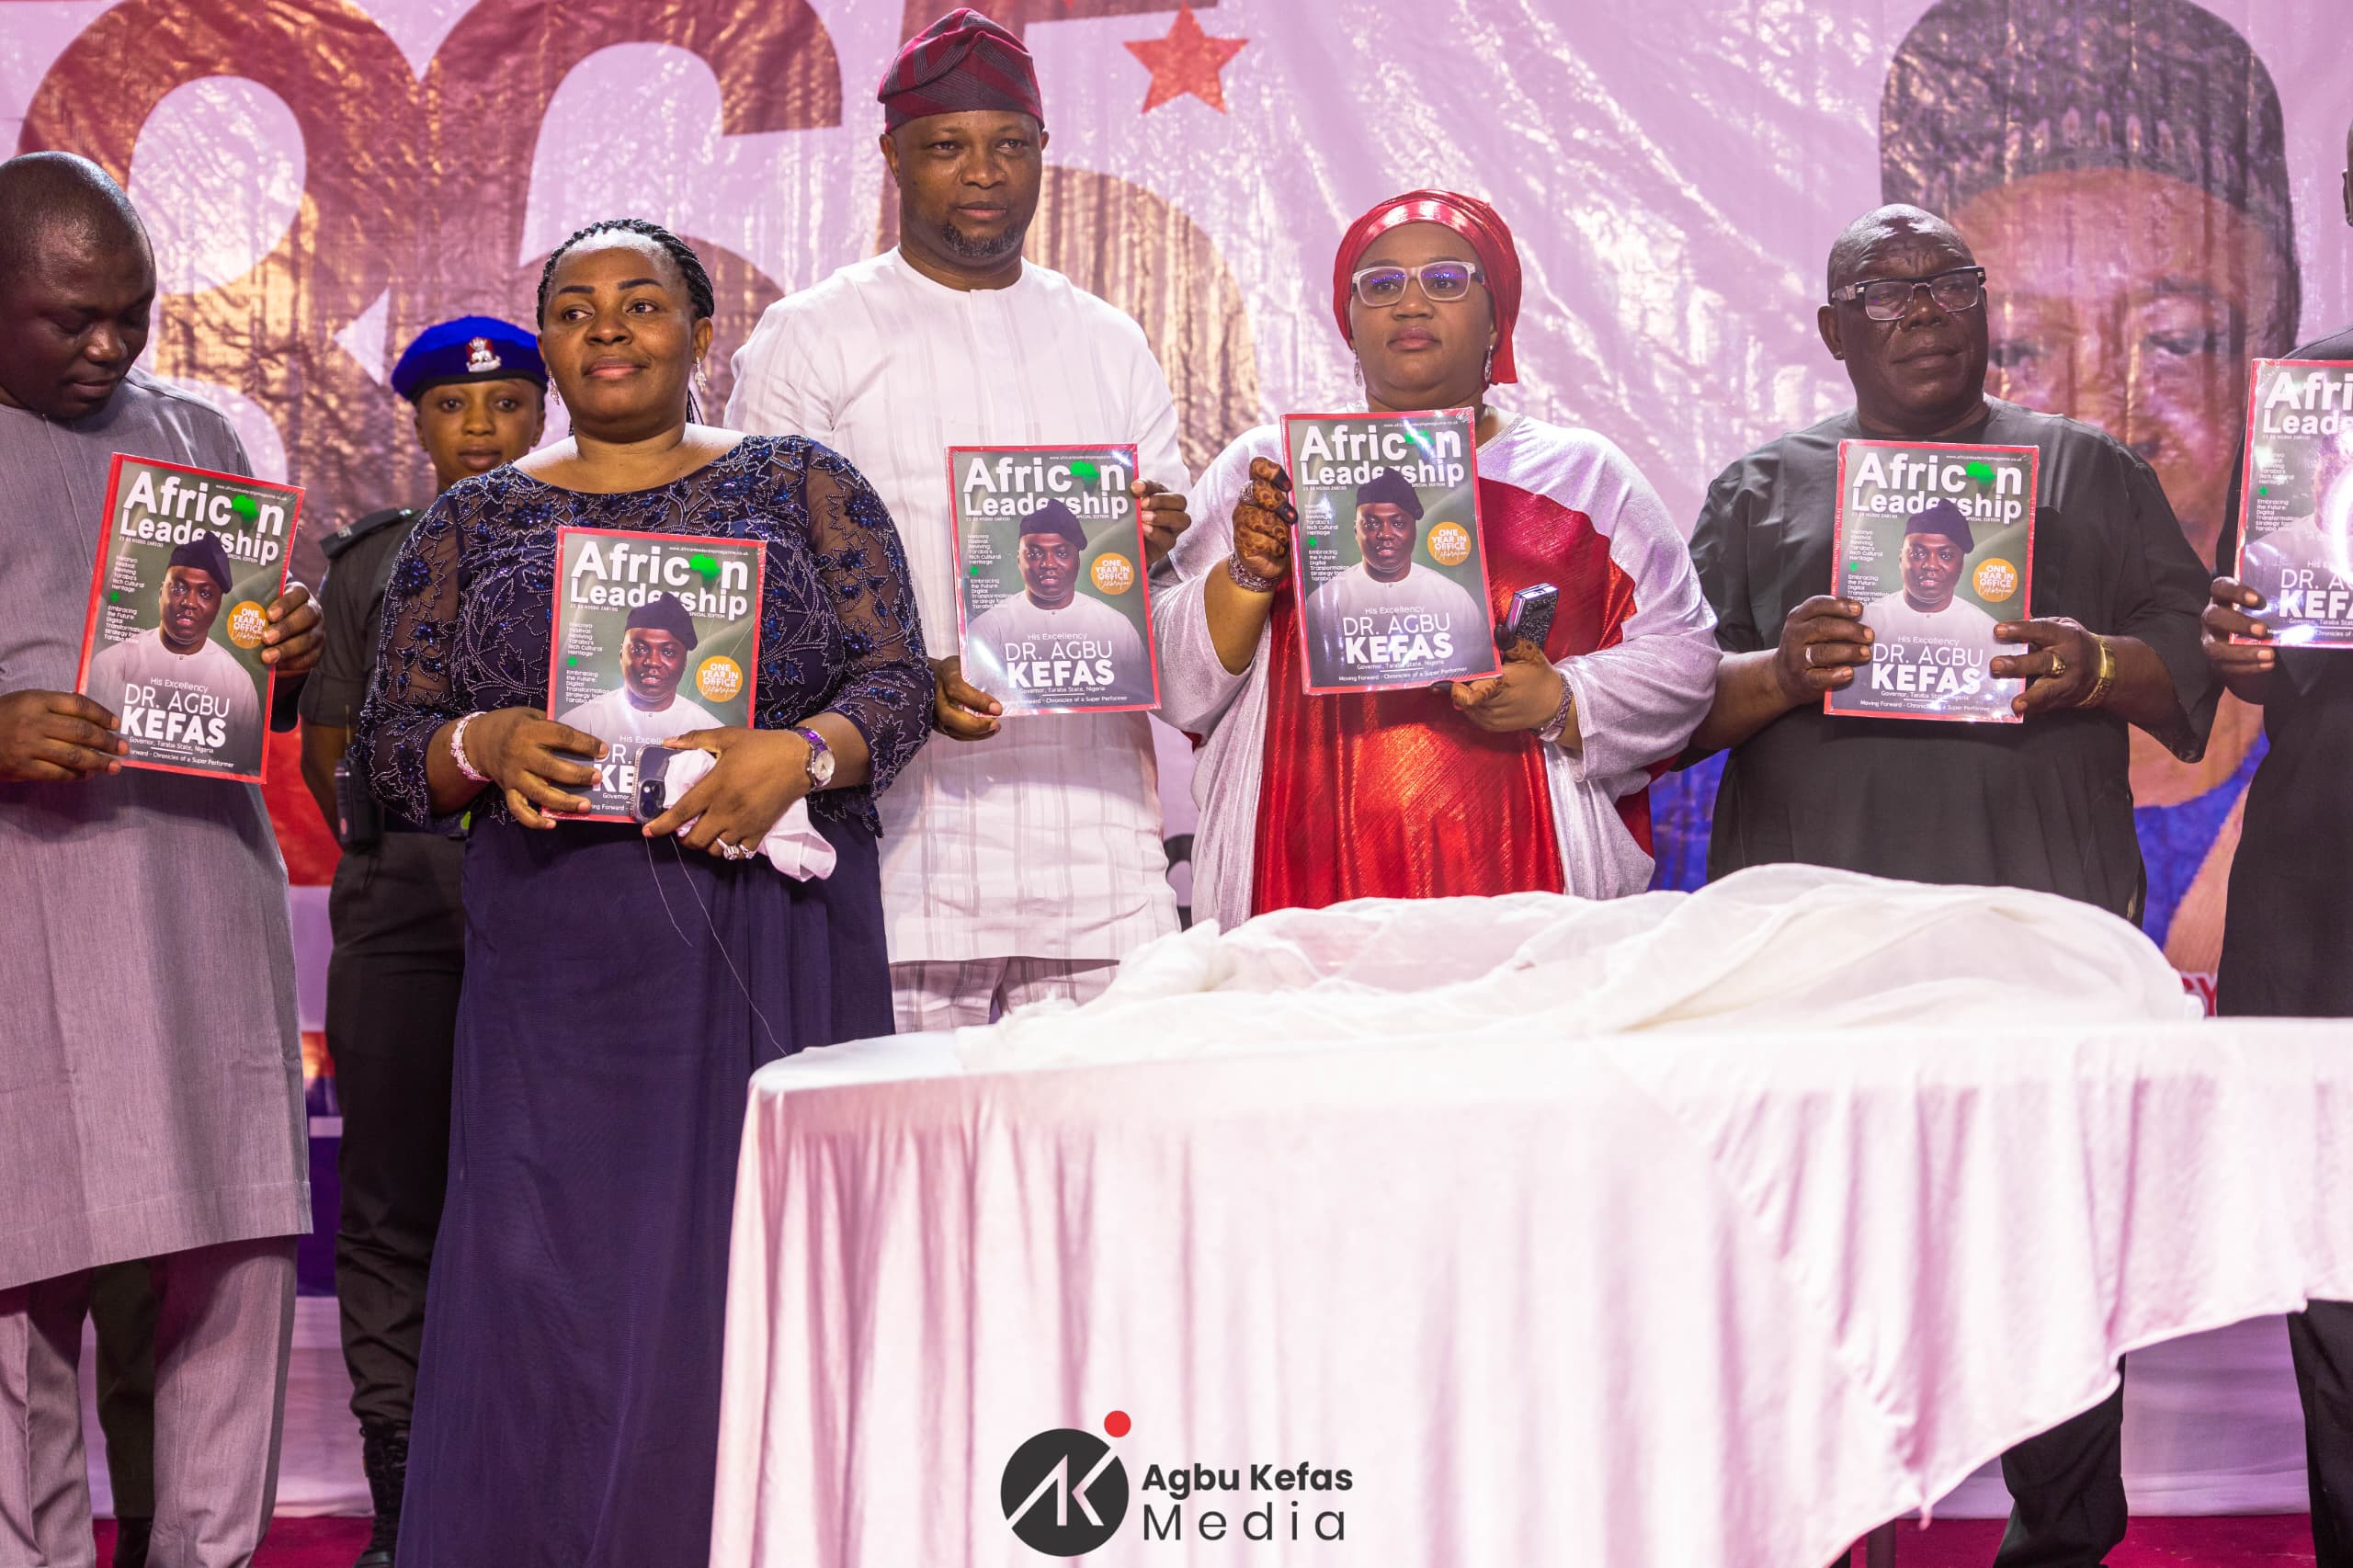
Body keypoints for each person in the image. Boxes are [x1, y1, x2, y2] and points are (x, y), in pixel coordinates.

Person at [354, 217, 928, 1568]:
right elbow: (388, 748)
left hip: (770, 936)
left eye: (641, 302)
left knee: (764, 1265)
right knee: (556, 1275)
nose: (607, 327)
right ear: (546, 342)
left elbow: (898, 683)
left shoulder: (802, 483)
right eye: (574, 308)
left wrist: (803, 752)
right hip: (561, 951)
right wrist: (482, 741)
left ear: (701, 331)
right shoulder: (472, 517)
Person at [1684, 203, 2217, 1568]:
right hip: (1817, 943)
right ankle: (1821, 1533)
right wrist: (1775, 671)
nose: (1920, 308)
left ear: (1985, 308)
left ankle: (2062, 1541)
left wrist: (2094, 664)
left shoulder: (2089, 472)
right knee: (1819, 1256)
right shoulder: (1761, 490)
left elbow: (2192, 662)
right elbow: (1668, 707)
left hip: (2038, 922)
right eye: (1884, 287)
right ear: (1831, 328)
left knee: (2052, 1249)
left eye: (1947, 282)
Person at [728, 7, 1191, 1031]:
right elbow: (762, 590)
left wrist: (1152, 538)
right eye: (947, 147)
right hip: (896, 857)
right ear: (893, 156)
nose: (984, 172)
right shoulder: (812, 336)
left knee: (1102, 1134)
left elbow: (1162, 592)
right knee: (900, 1137)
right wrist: (906, 680)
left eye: (1009, 145)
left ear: (1043, 152)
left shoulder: (1108, 340)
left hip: (1099, 855)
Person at [0, 151, 324, 1568]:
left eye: (130, 313)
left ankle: (210, 1555)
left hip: (200, 903)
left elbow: (248, 691)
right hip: (27, 916)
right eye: (70, 318)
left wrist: (285, 652)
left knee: (236, 1257)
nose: (109, 345)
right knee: (18, 1286)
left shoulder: (197, 432)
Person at [1156, 189, 1718, 924]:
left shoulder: (1583, 477)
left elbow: (1685, 659)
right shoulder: (1267, 471)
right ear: (1349, 324)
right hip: (1292, 889)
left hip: (1527, 892)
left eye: (1446, 280)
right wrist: (1247, 575)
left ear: (1497, 321)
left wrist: (1560, 700)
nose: (1411, 303)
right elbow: (1172, 682)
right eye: (1381, 284)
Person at [1881, 0, 2298, 972]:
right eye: (2021, 349)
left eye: (2178, 340)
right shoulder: (1808, 745)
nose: (2104, 409)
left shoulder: (2328, 754)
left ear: (2275, 348)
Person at [295, 313, 547, 1568]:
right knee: (393, 1207)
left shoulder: (605, 553)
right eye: (453, 405)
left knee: (551, 1202)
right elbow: (330, 751)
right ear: (420, 421)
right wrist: (430, 811)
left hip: (560, 915)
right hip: (402, 914)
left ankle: (538, 1478)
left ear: (544, 412)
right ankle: (403, 1497)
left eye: (506, 404)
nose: (481, 426)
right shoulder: (369, 565)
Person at [2201, 112, 2353, 1568]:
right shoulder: (2313, 405)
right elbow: (2268, 655)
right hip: (2324, 884)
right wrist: (2243, 650)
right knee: (2340, 1280)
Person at [85, 531, 265, 760]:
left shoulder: (238, 683)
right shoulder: (112, 664)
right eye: (179, 588)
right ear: (161, 592)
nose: (189, 602)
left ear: (218, 606)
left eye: (205, 593)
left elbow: (245, 765)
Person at [961, 498, 1150, 703]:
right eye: (1035, 553)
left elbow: (1139, 699)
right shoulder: (988, 628)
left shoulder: (1116, 625)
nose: (1048, 563)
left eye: (1061, 553)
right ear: (1018, 560)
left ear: (1077, 560)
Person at [1304, 467, 1489, 667]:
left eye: (1399, 523)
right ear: (1356, 531)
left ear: (1414, 530)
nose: (1385, 534)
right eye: (1372, 524)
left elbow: (1480, 664)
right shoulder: (1324, 603)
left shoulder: (1453, 597)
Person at [555, 592, 722, 743]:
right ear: (621, 654)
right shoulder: (581, 723)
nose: (653, 662)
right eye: (640, 649)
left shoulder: (709, 731)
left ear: (684, 662)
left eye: (668, 652)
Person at [1855, 501, 2008, 655]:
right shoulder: (1867, 622)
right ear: (1901, 559)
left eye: (1946, 555)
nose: (1931, 565)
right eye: (1918, 553)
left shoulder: (1986, 631)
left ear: (1961, 565)